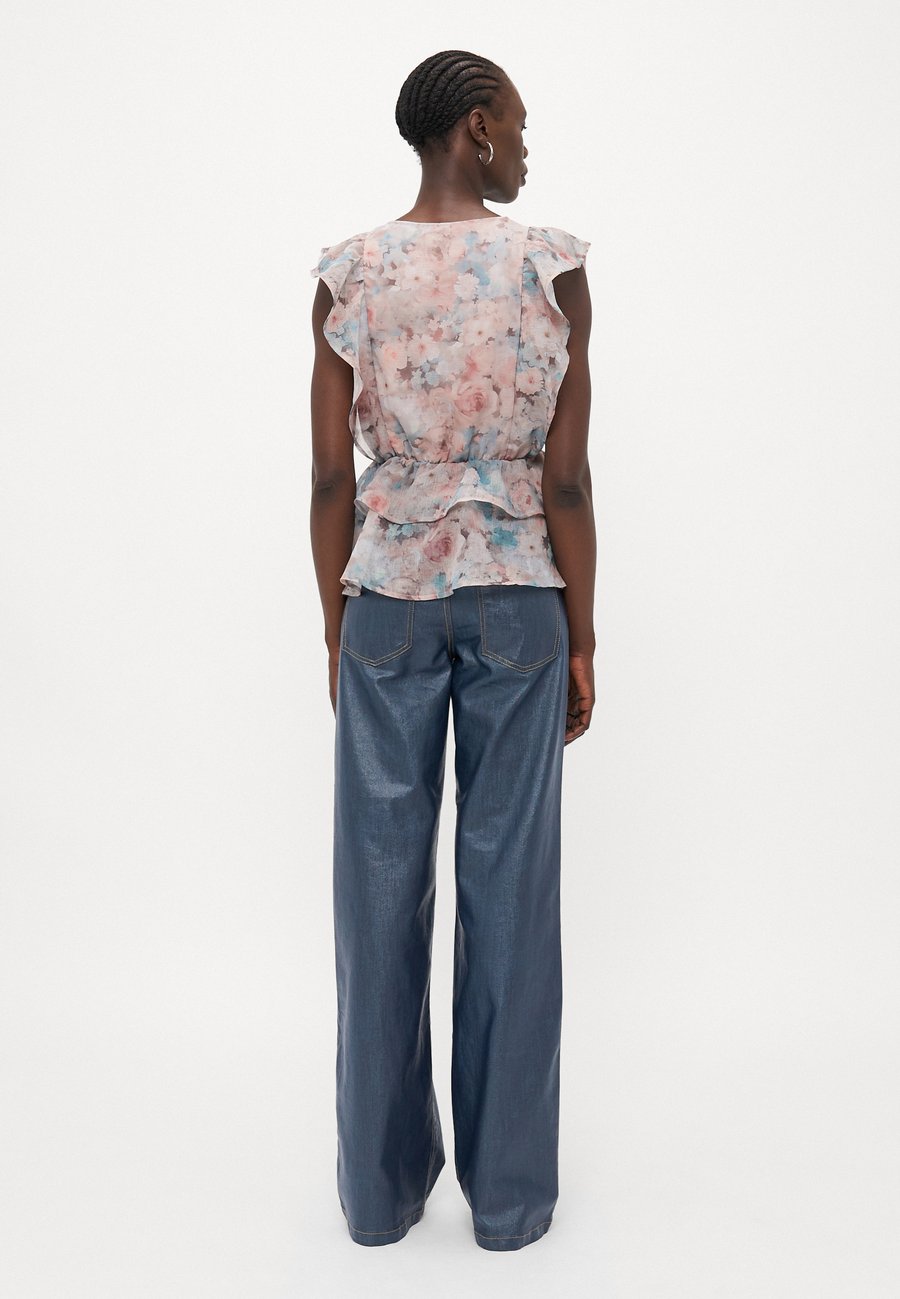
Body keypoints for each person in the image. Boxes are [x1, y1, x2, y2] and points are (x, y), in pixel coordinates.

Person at [309, 49, 596, 1252]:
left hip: (386, 598)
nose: (526, 145)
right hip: (522, 602)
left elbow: (332, 477)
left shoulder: (350, 273)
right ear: (476, 127)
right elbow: (565, 481)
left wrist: (339, 623)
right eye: (517, 125)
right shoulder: (550, 269)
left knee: (376, 894)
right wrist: (584, 635)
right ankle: (512, 1205)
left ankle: (379, 1200)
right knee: (511, 895)